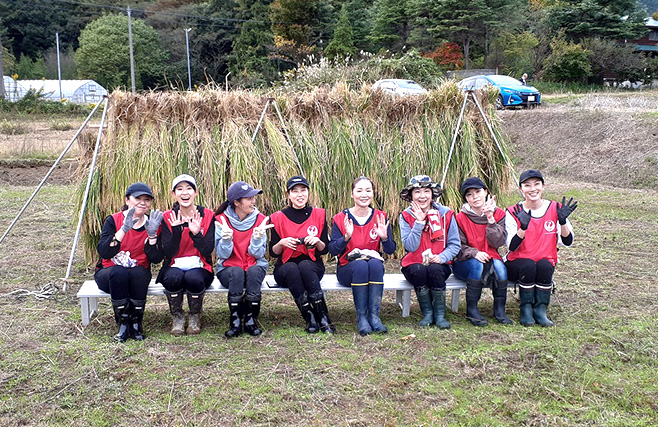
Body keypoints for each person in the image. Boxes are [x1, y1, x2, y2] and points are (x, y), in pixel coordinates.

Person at [505, 169, 577, 327]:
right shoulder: (513, 212)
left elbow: (567, 242)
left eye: (537, 184)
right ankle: (526, 308)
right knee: (529, 264)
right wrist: (523, 227)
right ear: (521, 189)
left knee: (545, 264)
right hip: (518, 261)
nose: (533, 189)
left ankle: (540, 309)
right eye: (527, 185)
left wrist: (563, 221)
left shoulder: (555, 209)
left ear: (543, 186)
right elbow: (511, 246)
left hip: (544, 258)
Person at [95, 182, 164, 342]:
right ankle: (123, 324)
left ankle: (136, 323)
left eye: (147, 199)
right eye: (137, 198)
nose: (142, 202)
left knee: (140, 272)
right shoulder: (114, 220)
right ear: (127, 200)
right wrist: (124, 230)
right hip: (110, 274)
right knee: (119, 272)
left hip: (137, 276)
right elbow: (104, 251)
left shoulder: (152, 223)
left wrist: (152, 235)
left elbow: (155, 259)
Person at [329, 176, 396, 336]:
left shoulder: (380, 217)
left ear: (373, 193)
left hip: (372, 268)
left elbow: (390, 250)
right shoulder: (341, 218)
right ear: (352, 194)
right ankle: (361, 318)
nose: (364, 194)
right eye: (359, 191)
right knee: (360, 265)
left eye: (368, 190)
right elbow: (333, 250)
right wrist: (346, 238)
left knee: (375, 264)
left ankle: (374, 316)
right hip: (348, 269)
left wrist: (385, 237)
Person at [269, 176, 335, 334]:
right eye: (295, 191)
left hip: (312, 267)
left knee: (305, 266)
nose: (299, 195)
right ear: (288, 195)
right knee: (292, 268)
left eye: (303, 190)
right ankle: (309, 317)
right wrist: (282, 243)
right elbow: (273, 252)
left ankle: (323, 317)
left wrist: (317, 241)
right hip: (286, 269)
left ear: (308, 192)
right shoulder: (278, 217)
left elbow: (324, 249)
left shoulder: (318, 215)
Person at [399, 175, 461, 329]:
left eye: (426, 191)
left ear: (432, 194)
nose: (422, 196)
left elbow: (454, 244)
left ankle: (440, 314)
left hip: (440, 263)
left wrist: (441, 257)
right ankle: (427, 312)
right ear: (411, 196)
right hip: (414, 263)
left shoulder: (446, 214)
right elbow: (410, 246)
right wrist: (419, 223)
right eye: (417, 192)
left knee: (434, 269)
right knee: (419, 270)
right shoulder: (406, 216)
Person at [157, 174, 215, 336]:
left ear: (196, 192)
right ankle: (177, 317)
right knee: (172, 278)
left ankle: (195, 316)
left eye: (189, 188)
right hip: (174, 264)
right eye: (180, 189)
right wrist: (177, 232)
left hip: (201, 265)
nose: (185, 193)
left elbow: (207, 250)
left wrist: (196, 234)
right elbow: (168, 253)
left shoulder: (207, 215)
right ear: (174, 194)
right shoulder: (167, 217)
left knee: (193, 278)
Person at [214, 181, 272, 338]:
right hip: (229, 269)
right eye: (249, 198)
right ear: (236, 202)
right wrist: (226, 240)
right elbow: (223, 255)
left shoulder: (261, 220)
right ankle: (235, 320)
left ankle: (251, 319)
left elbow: (258, 255)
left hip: (253, 266)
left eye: (254, 198)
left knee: (254, 272)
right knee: (237, 273)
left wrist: (257, 239)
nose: (254, 202)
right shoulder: (221, 221)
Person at [453, 177, 511, 326]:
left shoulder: (499, 214)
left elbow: (498, 242)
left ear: (485, 192)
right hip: (465, 262)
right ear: (466, 198)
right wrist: (474, 253)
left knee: (501, 269)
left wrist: (490, 219)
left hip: (491, 257)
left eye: (478, 192)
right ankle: (472, 310)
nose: (475, 197)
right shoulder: (460, 218)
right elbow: (458, 247)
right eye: (469, 194)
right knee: (477, 265)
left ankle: (499, 310)